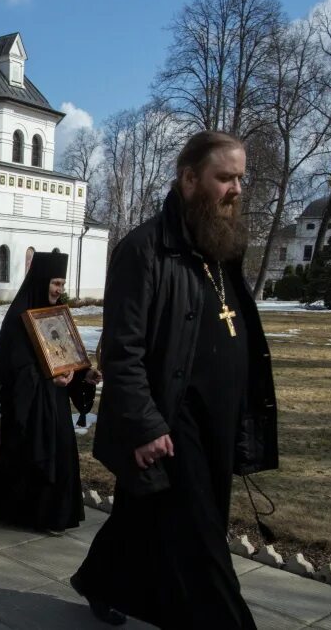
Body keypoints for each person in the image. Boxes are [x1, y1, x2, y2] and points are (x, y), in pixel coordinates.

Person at [71, 131, 278, 628]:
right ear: (189, 179)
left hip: (219, 422)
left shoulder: (219, 248)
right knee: (202, 544)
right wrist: (143, 425)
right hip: (171, 421)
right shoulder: (144, 250)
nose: (236, 190)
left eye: (240, 179)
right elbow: (124, 350)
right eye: (224, 178)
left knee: (147, 516)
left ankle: (103, 578)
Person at [0, 252, 100, 535]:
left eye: (62, 283)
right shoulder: (19, 316)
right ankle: (31, 514)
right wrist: (49, 378)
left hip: (54, 400)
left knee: (61, 453)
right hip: (30, 406)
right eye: (55, 283)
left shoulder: (57, 314)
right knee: (29, 457)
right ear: (43, 280)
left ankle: (55, 515)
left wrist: (84, 375)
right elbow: (17, 369)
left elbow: (65, 355)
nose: (59, 289)